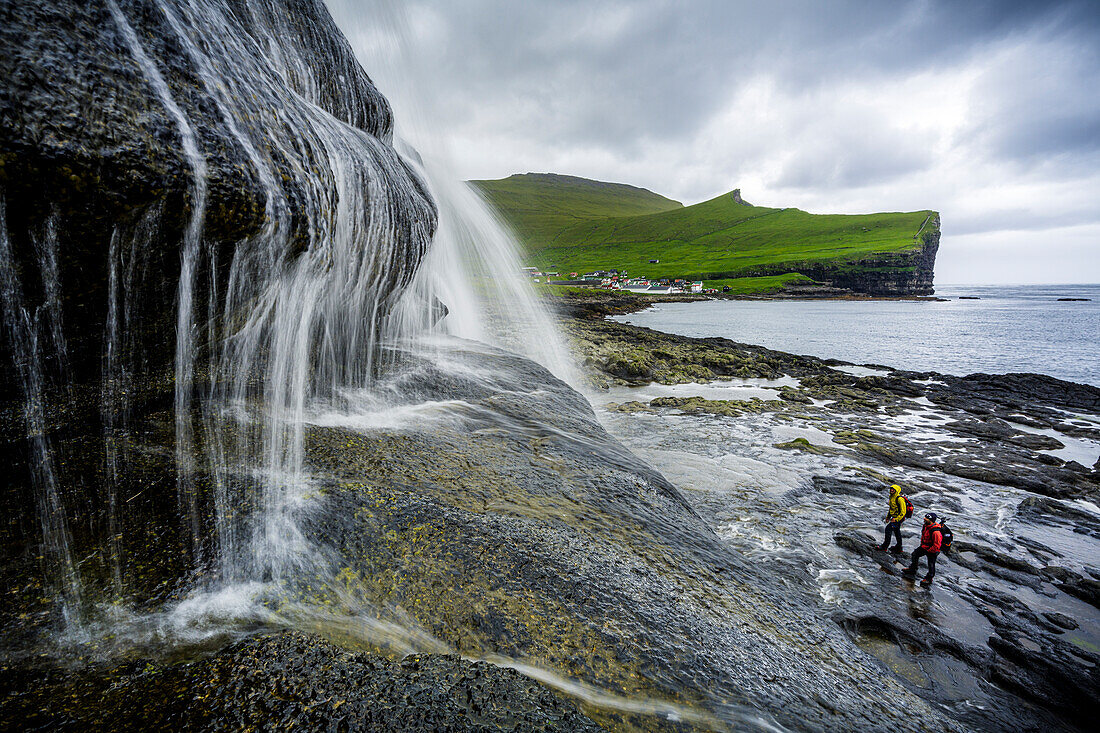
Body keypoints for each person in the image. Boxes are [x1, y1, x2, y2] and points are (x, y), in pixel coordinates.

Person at [902, 513, 944, 587]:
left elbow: (937, 545)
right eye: (925, 517)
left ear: (931, 520)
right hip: (924, 546)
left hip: (932, 550)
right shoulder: (925, 526)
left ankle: (929, 578)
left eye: (926, 518)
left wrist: (930, 551)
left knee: (931, 564)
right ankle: (913, 569)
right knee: (914, 554)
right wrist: (922, 545)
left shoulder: (936, 532)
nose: (924, 519)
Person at [878, 484, 907, 553]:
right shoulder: (891, 497)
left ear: (896, 491)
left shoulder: (900, 499)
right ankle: (899, 547)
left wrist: (896, 519)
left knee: (888, 529)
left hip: (898, 518)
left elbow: (903, 511)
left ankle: (884, 547)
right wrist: (888, 517)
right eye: (891, 489)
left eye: (893, 489)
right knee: (897, 532)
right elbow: (891, 509)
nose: (891, 490)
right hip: (894, 517)